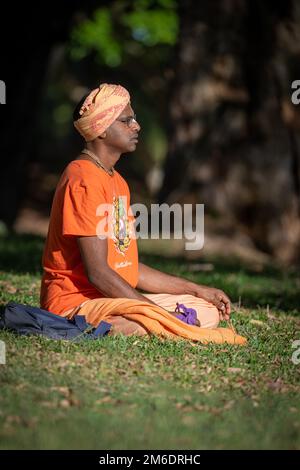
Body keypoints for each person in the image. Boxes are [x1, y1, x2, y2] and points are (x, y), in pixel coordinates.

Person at [40, 83, 233, 339]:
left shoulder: (117, 181)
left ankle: (149, 323)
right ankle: (136, 325)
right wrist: (156, 313)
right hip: (74, 304)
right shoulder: (83, 178)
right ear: (101, 130)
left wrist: (195, 289)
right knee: (169, 320)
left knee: (206, 309)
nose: (137, 126)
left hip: (110, 299)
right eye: (126, 120)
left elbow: (127, 266)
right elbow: (98, 273)